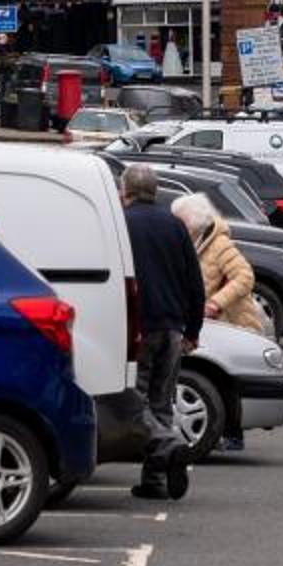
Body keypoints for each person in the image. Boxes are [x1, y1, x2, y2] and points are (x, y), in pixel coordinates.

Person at [120, 164, 205, 500]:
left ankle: (169, 445)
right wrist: (193, 329)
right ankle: (154, 481)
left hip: (138, 326)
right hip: (172, 327)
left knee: (133, 401)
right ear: (154, 191)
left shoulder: (122, 224)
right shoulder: (174, 226)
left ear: (126, 190)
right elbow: (194, 283)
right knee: (161, 403)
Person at [175, 191, 259, 452]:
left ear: (193, 223)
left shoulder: (219, 244)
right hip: (212, 324)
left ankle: (234, 435)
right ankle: (229, 434)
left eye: (180, 223)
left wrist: (216, 303)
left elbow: (245, 277)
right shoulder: (194, 244)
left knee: (227, 380)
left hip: (232, 322)